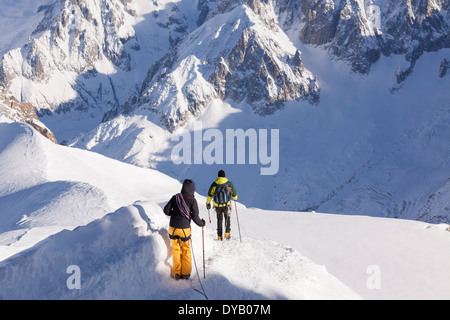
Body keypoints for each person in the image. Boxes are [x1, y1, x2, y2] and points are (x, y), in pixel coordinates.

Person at [164, 179, 205, 280]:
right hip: (184, 229)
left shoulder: (175, 197)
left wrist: (173, 214)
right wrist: (202, 224)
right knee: (186, 249)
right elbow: (195, 217)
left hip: (173, 228)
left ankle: (177, 273)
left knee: (176, 249)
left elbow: (166, 210)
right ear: (192, 189)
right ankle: (185, 274)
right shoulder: (192, 200)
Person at [206, 170, 238, 240]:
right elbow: (234, 193)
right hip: (227, 205)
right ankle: (227, 234)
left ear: (218, 176)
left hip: (217, 206)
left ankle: (219, 236)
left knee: (219, 220)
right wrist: (235, 198)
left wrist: (208, 203)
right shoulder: (229, 183)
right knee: (227, 218)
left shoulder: (214, 184)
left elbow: (209, 195)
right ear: (224, 176)